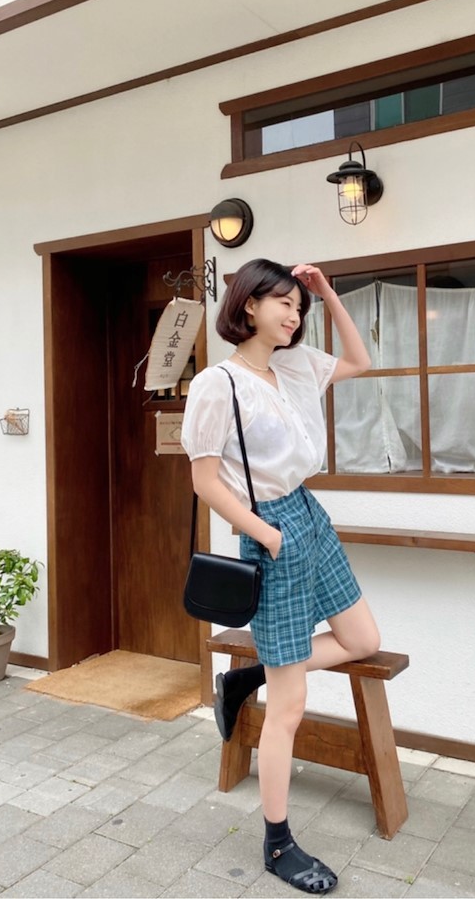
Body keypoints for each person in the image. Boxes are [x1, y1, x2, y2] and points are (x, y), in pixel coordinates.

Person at [181, 258, 380, 895]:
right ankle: (277, 841)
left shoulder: (291, 367)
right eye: (283, 303)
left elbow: (360, 361)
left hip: (310, 515)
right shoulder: (218, 384)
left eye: (299, 306)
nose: (294, 315)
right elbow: (204, 480)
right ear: (248, 305)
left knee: (363, 639)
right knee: (289, 708)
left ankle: (247, 677)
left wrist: (328, 292)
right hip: (270, 528)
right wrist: (265, 534)